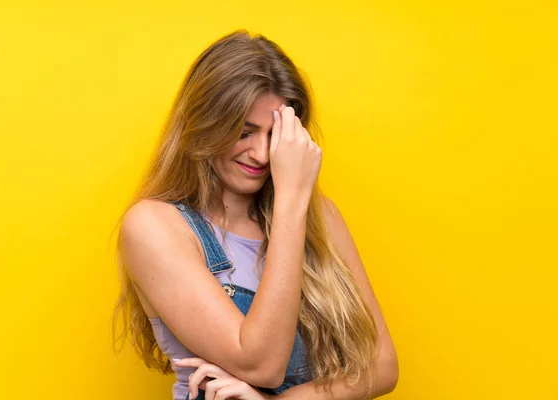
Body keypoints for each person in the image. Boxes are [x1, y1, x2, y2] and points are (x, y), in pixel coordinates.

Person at [112, 29, 398, 400]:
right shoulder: (155, 227)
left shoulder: (321, 217)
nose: (262, 155)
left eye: (274, 135)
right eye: (244, 132)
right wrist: (293, 200)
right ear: (205, 124)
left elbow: (382, 367)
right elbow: (261, 364)